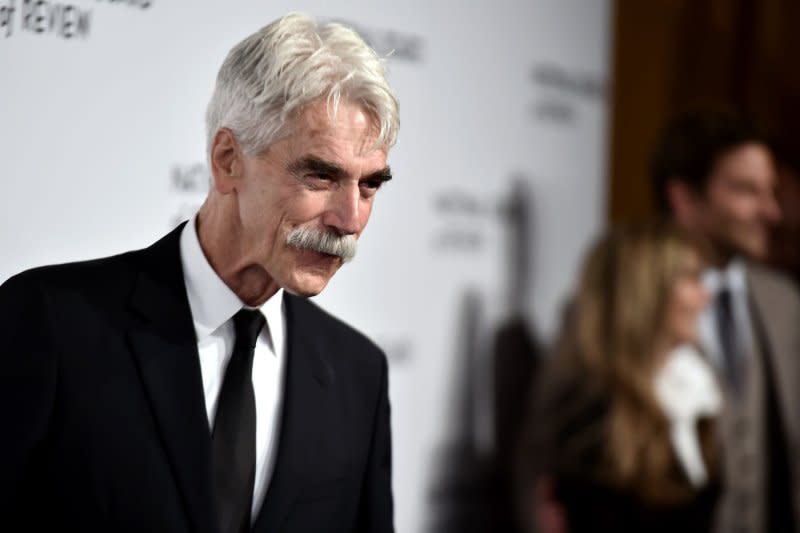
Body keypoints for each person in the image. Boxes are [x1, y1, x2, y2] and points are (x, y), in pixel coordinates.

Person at [0, 12, 398, 533]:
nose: (350, 219)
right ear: (228, 159)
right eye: (320, 175)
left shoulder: (358, 375)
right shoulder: (50, 321)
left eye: (370, 186)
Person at [651, 109, 800, 533]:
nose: (771, 211)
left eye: (770, 192)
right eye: (747, 191)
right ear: (684, 198)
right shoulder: (625, 302)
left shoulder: (785, 302)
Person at [519, 222, 722, 533]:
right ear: (645, 290)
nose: (706, 295)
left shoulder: (696, 393)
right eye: (691, 278)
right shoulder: (589, 410)